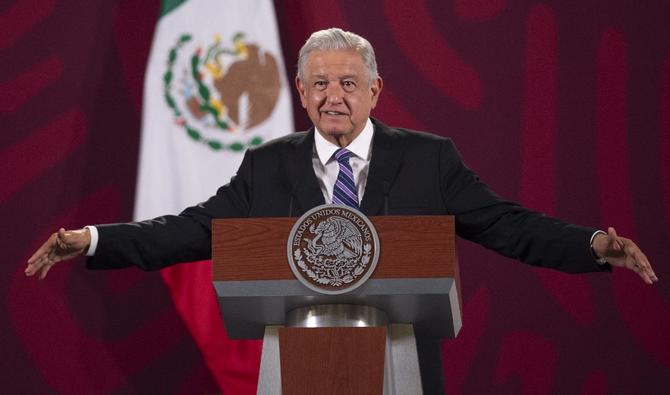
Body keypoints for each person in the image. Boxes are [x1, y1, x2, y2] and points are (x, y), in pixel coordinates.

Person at [26, 28, 657, 285]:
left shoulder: (430, 161)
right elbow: (192, 230)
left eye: (348, 83)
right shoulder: (266, 166)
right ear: (300, 93)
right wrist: (93, 239)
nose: (334, 97)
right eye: (320, 84)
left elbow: (509, 226)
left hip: (403, 354)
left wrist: (592, 245)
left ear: (375, 92)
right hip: (294, 355)